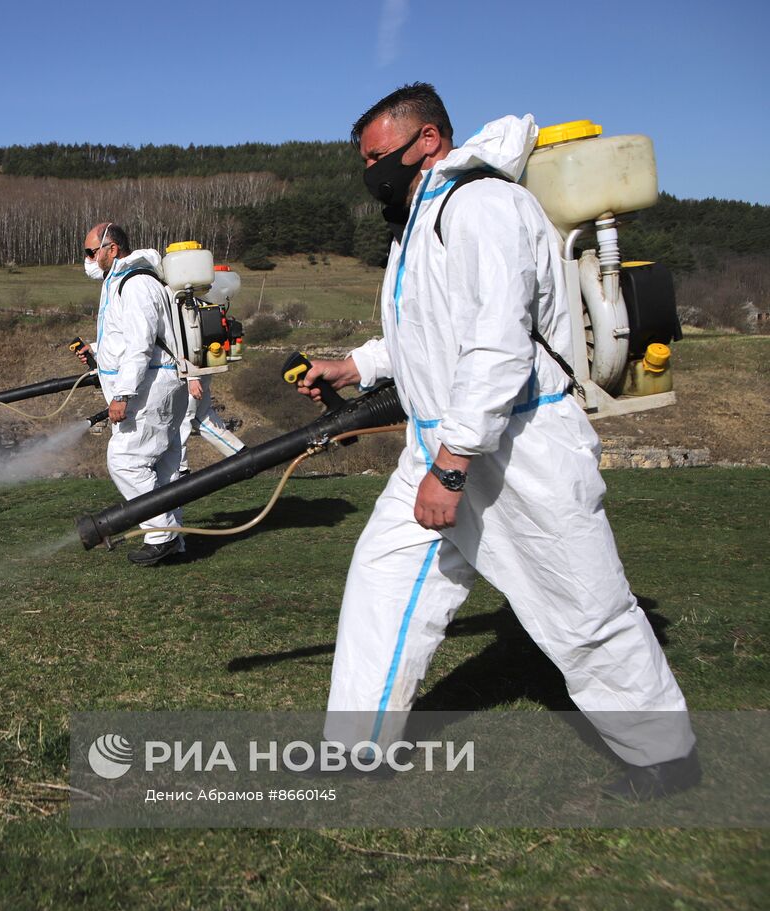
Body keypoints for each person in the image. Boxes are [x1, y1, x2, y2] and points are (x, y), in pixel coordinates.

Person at [299, 84, 699, 799]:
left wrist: (450, 469)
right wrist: (356, 365)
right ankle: (355, 749)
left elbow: (495, 346)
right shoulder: (422, 218)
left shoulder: (482, 206)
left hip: (517, 450)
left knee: (581, 608)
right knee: (382, 581)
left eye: (376, 156)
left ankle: (665, 754)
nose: (370, 172)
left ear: (427, 140)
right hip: (441, 444)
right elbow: (422, 331)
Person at [76, 222, 189, 566]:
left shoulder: (136, 283)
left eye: (91, 252)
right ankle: (175, 541)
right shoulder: (122, 281)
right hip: (157, 382)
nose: (88, 260)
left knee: (126, 460)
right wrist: (95, 351)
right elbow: (124, 338)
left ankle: (161, 535)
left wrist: (123, 394)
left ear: (113, 249)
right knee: (165, 467)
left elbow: (141, 345)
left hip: (149, 389)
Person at [177, 375, 245, 478]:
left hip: (187, 377)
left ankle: (180, 471)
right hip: (194, 374)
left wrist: (192, 377)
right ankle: (242, 454)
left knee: (180, 423)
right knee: (203, 418)